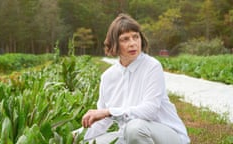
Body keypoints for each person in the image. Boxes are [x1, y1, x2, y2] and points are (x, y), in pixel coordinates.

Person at [81, 13, 190, 144]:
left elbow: (149, 111)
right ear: (115, 43)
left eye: (135, 37)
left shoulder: (152, 66)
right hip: (128, 135)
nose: (133, 43)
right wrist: (76, 137)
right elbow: (102, 121)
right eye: (125, 39)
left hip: (165, 134)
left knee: (135, 128)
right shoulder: (108, 77)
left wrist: (108, 112)